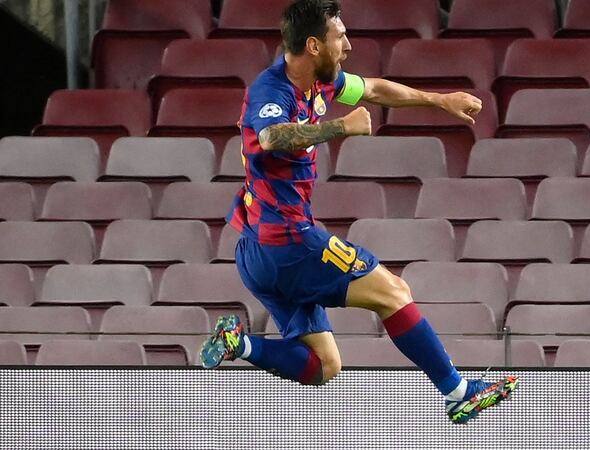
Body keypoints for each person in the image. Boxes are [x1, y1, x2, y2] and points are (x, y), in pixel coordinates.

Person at [198, 0, 517, 425]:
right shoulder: (271, 91)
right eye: (340, 37)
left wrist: (439, 101)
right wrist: (341, 127)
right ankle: (457, 392)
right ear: (314, 45)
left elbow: (376, 90)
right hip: (287, 244)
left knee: (323, 366)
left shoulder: (320, 80)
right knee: (394, 293)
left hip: (256, 251)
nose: (347, 45)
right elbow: (273, 136)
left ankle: (240, 344)